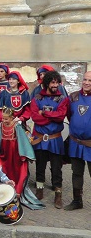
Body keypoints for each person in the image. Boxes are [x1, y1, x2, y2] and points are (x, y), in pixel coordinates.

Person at [29, 70, 69, 208]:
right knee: (40, 166)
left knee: (57, 168)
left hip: (55, 140)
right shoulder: (37, 99)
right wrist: (51, 117)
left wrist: (45, 113)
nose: (55, 85)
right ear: (47, 83)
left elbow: (60, 116)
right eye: (52, 82)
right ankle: (39, 189)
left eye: (57, 82)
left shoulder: (63, 99)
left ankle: (58, 193)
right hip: (41, 139)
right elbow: (35, 117)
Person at [0, 107, 44, 210]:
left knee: (18, 173)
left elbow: (23, 141)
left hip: (16, 154)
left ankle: (17, 192)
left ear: (12, 118)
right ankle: (6, 192)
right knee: (5, 171)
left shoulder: (17, 126)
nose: (4, 121)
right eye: (3, 118)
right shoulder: (1, 126)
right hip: (5, 154)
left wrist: (24, 154)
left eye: (6, 119)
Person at [64, 71, 91, 211]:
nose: (86, 83)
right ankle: (77, 201)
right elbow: (69, 115)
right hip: (75, 143)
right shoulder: (73, 97)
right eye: (85, 79)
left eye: (90, 80)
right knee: (76, 173)